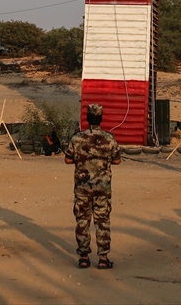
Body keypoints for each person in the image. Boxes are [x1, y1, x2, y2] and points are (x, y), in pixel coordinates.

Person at [64, 103, 122, 269]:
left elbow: (68, 159)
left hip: (82, 188)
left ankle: (83, 257)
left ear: (87, 118)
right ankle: (103, 258)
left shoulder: (77, 138)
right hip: (102, 189)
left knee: (82, 221)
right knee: (102, 222)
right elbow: (117, 160)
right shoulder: (109, 138)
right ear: (101, 118)